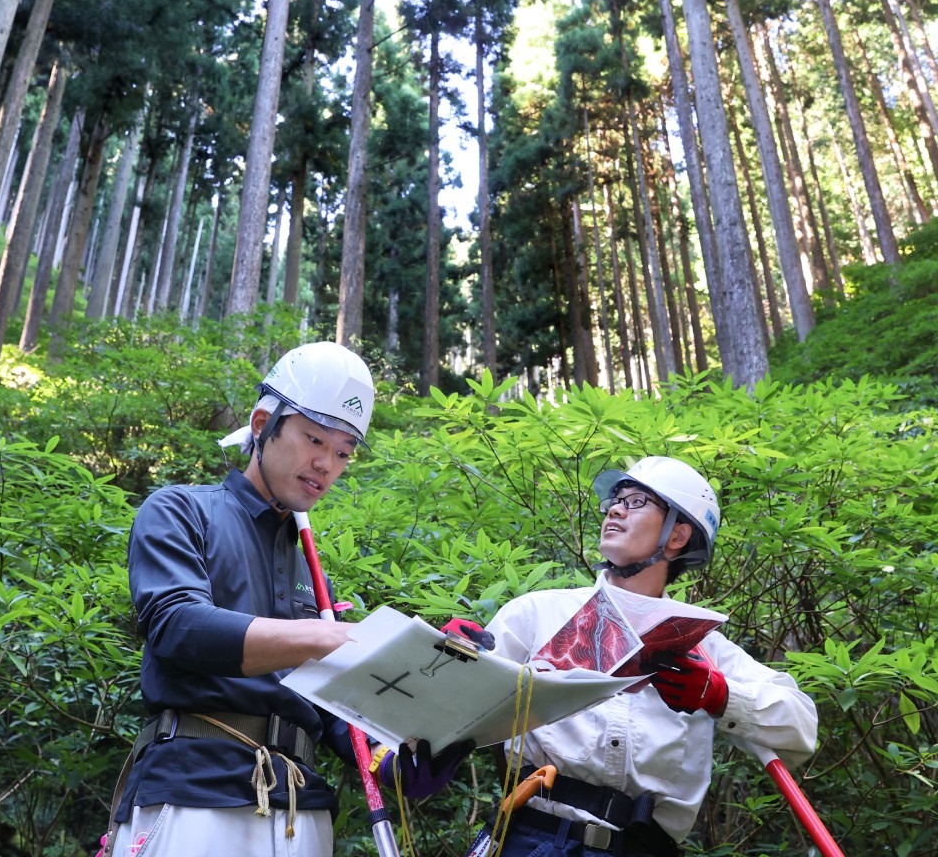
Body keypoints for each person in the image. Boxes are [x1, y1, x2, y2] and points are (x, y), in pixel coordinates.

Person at [105, 342, 468, 857]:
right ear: (261, 423)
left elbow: (337, 712)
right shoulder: (181, 511)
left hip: (302, 810)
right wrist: (327, 636)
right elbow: (176, 626)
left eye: (343, 451)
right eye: (313, 438)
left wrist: (405, 754)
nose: (326, 464)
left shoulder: (314, 576)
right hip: (194, 794)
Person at [474, 455, 818, 857]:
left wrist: (719, 696)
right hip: (533, 840)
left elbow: (801, 727)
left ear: (677, 536)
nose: (615, 508)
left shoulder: (705, 649)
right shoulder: (536, 614)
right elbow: (459, 707)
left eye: (637, 501)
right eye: (615, 500)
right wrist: (454, 660)